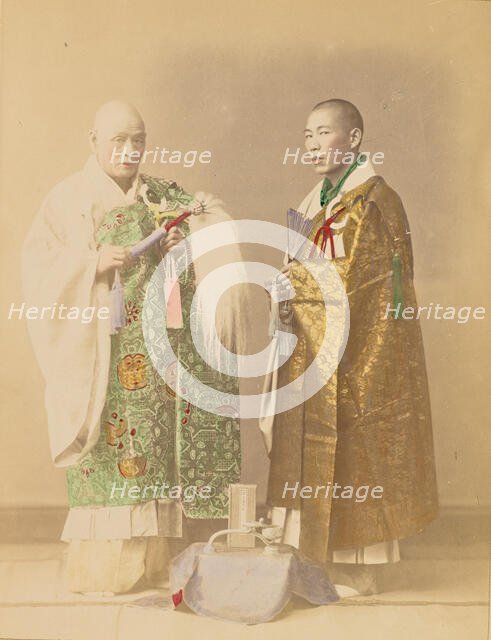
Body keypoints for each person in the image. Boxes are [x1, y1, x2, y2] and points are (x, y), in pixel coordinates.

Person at [22, 100, 245, 595]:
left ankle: (153, 562)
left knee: (156, 452)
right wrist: (93, 263)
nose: (128, 151)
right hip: (102, 350)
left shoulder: (161, 195)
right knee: (113, 451)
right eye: (117, 141)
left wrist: (182, 244)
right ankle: (108, 569)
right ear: (93, 140)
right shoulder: (68, 200)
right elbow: (39, 272)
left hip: (158, 349)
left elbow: (207, 226)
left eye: (137, 141)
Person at [263, 99, 439, 596]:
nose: (313, 145)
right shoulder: (316, 200)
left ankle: (358, 567)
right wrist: (285, 290)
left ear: (355, 140)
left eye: (324, 133)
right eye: (307, 136)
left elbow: (364, 283)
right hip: (313, 351)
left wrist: (293, 284)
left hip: (362, 354)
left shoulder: (376, 201)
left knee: (355, 446)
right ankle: (315, 559)